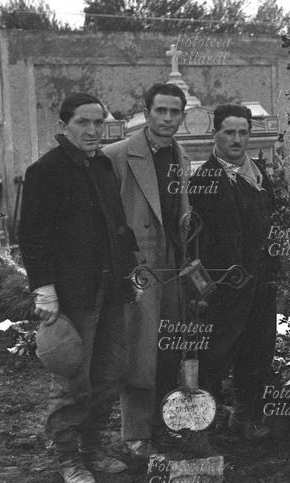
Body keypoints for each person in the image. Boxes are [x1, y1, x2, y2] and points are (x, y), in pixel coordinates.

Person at [19, 93, 140, 483]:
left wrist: (131, 269)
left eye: (98, 123)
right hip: (73, 295)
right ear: (65, 125)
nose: (92, 131)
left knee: (112, 373)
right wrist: (44, 290)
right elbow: (32, 238)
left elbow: (118, 225)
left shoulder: (103, 165)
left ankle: (93, 448)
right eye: (83, 123)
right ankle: (68, 458)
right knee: (73, 378)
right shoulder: (46, 171)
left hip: (111, 288)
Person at [103, 83, 190, 460]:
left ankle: (162, 426)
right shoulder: (117, 155)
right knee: (139, 350)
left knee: (168, 347)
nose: (168, 119)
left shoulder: (181, 155)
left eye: (175, 112)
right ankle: (136, 435)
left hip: (172, 265)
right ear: (147, 112)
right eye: (161, 111)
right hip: (138, 269)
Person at [188, 104, 278, 439]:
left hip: (261, 281)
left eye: (243, 132)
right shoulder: (204, 180)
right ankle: (203, 429)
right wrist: (199, 291)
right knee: (215, 355)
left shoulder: (258, 173)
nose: (237, 139)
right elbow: (194, 242)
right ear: (215, 134)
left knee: (258, 350)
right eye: (229, 132)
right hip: (223, 287)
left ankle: (245, 416)